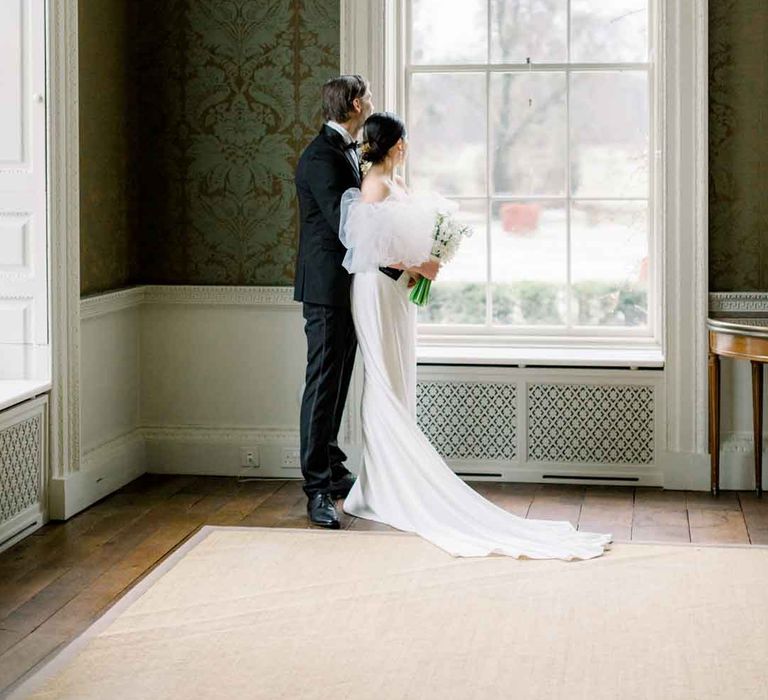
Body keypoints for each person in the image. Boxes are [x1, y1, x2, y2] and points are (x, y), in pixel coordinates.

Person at [338, 112, 613, 560]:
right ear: (395, 144)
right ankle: (384, 483)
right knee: (383, 382)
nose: (407, 145)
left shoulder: (397, 183)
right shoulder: (373, 185)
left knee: (399, 379)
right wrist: (416, 267)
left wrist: (426, 261)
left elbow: (403, 239)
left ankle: (384, 479)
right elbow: (366, 251)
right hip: (376, 290)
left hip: (398, 294)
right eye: (404, 140)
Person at [294, 78, 439, 529]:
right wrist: (405, 266)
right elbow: (352, 229)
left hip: (356, 287)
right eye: (370, 97)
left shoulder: (347, 152)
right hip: (327, 288)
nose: (372, 103)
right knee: (322, 386)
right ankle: (317, 487)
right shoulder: (321, 157)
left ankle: (334, 471)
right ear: (357, 103)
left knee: (337, 384)